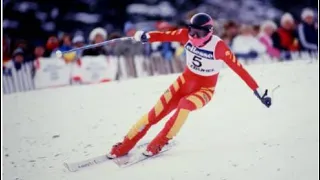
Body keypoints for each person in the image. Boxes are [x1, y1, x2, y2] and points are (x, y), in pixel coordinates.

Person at [107, 13, 272, 158]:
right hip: (183, 83)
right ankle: (124, 146)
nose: (193, 35)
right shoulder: (186, 35)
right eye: (192, 30)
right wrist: (145, 36)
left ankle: (160, 142)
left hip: (204, 90)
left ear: (209, 32)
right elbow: (164, 36)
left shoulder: (219, 47)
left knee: (184, 105)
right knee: (154, 114)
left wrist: (258, 92)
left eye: (199, 32)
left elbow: (240, 70)